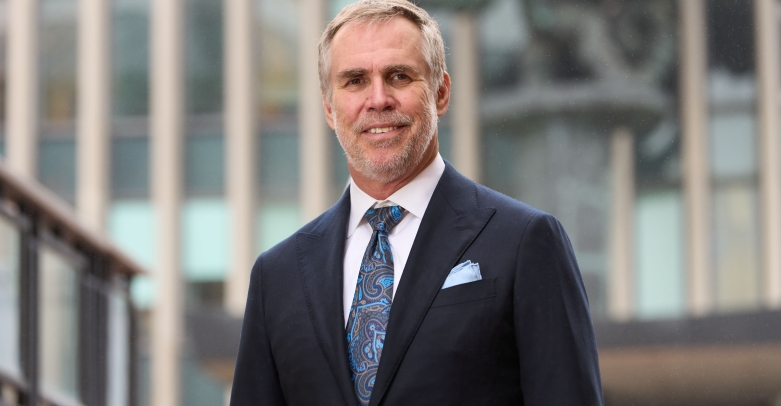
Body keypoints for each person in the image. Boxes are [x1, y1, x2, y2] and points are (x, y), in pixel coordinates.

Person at [229, 0, 603, 405]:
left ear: (441, 93)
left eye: (399, 76)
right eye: (354, 81)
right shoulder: (277, 277)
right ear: (329, 108)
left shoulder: (525, 242)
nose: (378, 99)